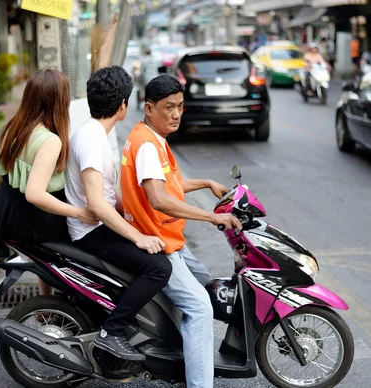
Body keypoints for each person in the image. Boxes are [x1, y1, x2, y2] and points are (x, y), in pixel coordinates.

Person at [120, 74, 242, 388]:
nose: (176, 114)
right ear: (148, 108)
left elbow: (167, 185)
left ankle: (178, 348)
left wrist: (206, 183)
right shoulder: (148, 146)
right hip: (158, 242)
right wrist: (210, 217)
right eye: (168, 107)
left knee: (204, 281)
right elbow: (159, 199)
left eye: (180, 107)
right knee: (200, 307)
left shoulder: (150, 137)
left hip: (171, 240)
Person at [65, 66, 172, 361]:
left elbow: (112, 197)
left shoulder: (97, 134)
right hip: (90, 232)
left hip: (99, 225)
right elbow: (98, 204)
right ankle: (111, 332)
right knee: (159, 268)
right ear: (123, 105)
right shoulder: (90, 139)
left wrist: (141, 216)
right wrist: (138, 236)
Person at [0, 69, 98, 296]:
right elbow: (35, 194)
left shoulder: (16, 125)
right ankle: (71, 300)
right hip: (26, 216)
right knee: (82, 238)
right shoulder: (50, 140)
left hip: (6, 209)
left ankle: (46, 301)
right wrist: (78, 212)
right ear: (60, 101)